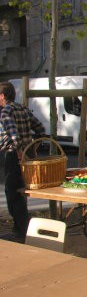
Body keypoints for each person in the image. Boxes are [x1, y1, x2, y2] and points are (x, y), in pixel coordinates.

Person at [0, 82, 45, 240]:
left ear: (3, 96)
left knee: (12, 193)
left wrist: (20, 152)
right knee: (21, 193)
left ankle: (21, 232)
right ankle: (21, 228)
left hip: (15, 156)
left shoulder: (6, 111)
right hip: (28, 156)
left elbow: (13, 135)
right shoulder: (23, 109)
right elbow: (40, 129)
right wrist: (33, 147)